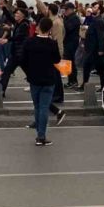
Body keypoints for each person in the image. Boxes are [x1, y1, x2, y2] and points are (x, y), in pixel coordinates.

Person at [21, 17, 61, 146]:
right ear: (50, 29)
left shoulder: (30, 41)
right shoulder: (52, 44)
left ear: (38, 27)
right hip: (48, 78)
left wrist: (29, 72)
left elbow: (22, 60)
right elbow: (56, 60)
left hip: (34, 78)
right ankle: (41, 136)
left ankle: (39, 132)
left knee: (37, 106)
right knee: (44, 107)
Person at [81, 2, 104, 89]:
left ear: (99, 10)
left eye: (95, 7)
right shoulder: (94, 20)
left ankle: (103, 86)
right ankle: (84, 84)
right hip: (90, 48)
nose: (93, 8)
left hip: (95, 49)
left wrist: (101, 49)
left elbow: (101, 36)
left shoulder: (99, 21)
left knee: (100, 69)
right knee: (86, 66)